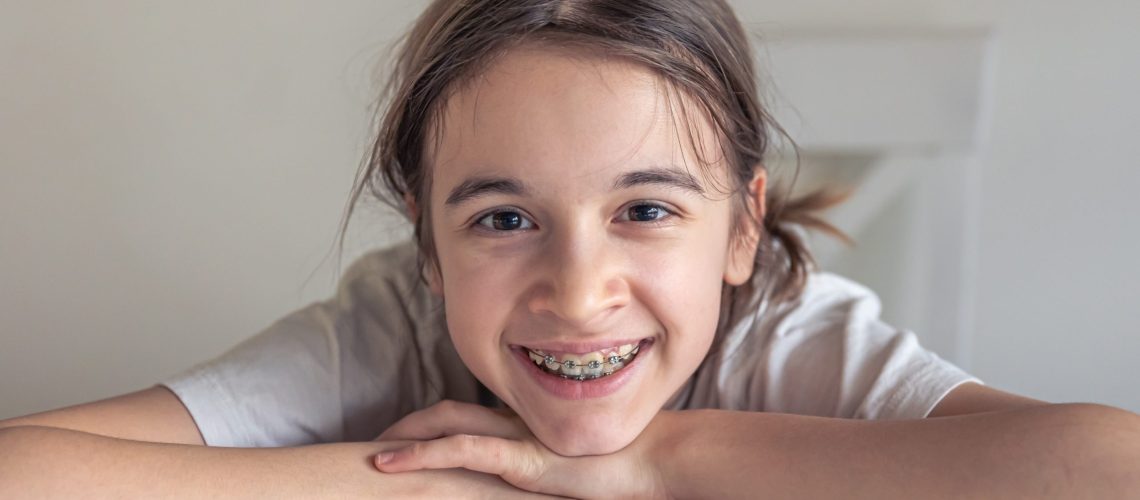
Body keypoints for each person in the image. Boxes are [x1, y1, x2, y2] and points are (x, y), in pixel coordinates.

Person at [2, 0, 1138, 497]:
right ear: (428, 245)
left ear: (742, 226)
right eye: (502, 217)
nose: (580, 291)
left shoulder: (793, 333)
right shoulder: (391, 324)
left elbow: (1110, 469)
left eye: (646, 209)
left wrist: (656, 464)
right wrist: (448, 485)